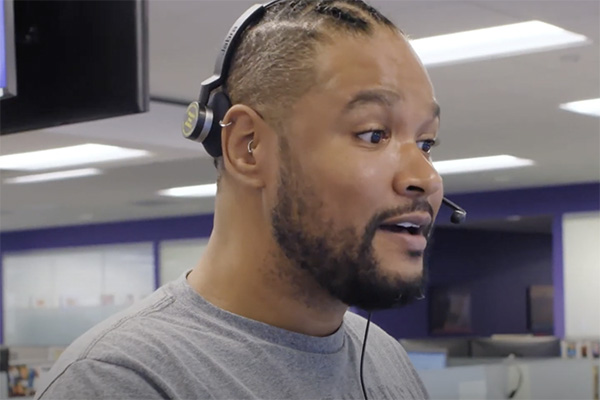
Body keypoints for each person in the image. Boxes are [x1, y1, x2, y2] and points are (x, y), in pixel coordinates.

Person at [36, 0, 444, 398]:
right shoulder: (120, 380)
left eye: (426, 143)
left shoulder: (386, 361)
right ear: (248, 146)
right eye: (373, 134)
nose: (425, 178)